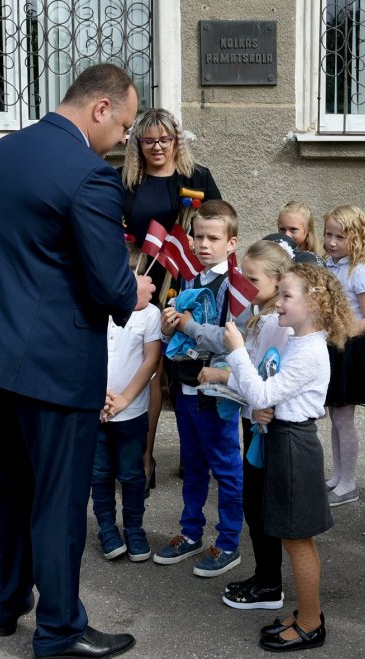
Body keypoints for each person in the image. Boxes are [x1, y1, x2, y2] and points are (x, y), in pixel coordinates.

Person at [0, 63, 153, 659]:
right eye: (124, 126)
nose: (124, 140)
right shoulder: (90, 176)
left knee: (9, 483)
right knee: (58, 500)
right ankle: (59, 631)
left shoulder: (0, 153)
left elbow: (19, 255)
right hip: (52, 364)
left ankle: (6, 601)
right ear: (99, 108)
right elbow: (109, 283)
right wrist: (135, 292)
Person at [202, 263, 355, 652]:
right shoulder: (296, 342)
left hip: (293, 446)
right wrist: (260, 405)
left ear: (315, 304)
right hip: (282, 440)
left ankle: (310, 623)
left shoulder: (310, 350)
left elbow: (263, 392)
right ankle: (306, 614)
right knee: (292, 536)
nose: (279, 303)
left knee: (297, 539)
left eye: (287, 296)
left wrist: (237, 352)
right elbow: (269, 392)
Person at [120, 107, 222, 491]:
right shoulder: (125, 181)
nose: (158, 147)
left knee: (185, 367)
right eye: (149, 140)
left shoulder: (198, 178)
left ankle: (191, 453)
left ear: (176, 140)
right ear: (138, 144)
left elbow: (218, 226)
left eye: (165, 139)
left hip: (187, 281)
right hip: (142, 281)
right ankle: (143, 458)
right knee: (149, 369)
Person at [199, 240, 294, 610]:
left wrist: (223, 375)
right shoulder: (260, 315)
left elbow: (265, 377)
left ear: (278, 279)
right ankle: (265, 576)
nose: (245, 286)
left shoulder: (276, 323)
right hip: (254, 421)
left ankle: (270, 584)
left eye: (253, 280)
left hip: (267, 426)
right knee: (254, 507)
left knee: (262, 507)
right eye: (243, 277)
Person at [154, 200, 244, 578]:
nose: (203, 244)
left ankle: (229, 542)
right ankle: (190, 532)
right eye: (198, 236)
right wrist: (169, 326)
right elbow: (174, 336)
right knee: (192, 465)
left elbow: (230, 340)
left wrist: (188, 326)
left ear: (232, 243)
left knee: (226, 468)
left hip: (216, 396)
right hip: (186, 387)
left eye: (213, 238)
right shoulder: (191, 281)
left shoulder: (236, 287)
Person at [91, 242, 162, 563]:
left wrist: (124, 400)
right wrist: (98, 395)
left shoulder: (150, 314)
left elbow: (151, 360)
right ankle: (106, 528)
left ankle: (134, 528)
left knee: (132, 474)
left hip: (131, 411)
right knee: (100, 473)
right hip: (96, 409)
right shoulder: (98, 307)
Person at [322, 204, 365, 507]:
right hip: (329, 348)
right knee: (334, 417)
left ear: (356, 238)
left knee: (344, 419)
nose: (332, 242)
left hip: (348, 350)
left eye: (340, 237)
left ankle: (349, 483)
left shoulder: (358, 272)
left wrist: (341, 330)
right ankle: (337, 475)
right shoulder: (325, 265)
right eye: (328, 235)